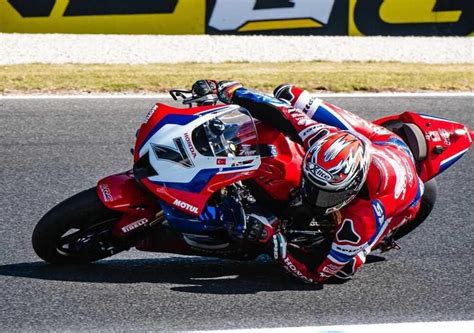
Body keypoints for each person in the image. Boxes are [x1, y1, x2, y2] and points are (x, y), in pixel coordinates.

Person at [191, 80, 425, 284]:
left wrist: (275, 242)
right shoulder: (319, 135)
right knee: (289, 95)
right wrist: (232, 91)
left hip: (402, 187)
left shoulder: (366, 217)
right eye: (310, 183)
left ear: (351, 189)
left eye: (325, 194)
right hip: (378, 143)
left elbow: (317, 274)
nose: (312, 195)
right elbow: (282, 112)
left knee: (344, 269)